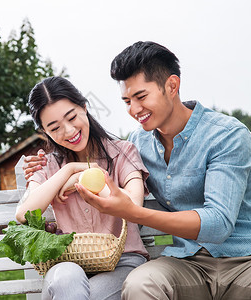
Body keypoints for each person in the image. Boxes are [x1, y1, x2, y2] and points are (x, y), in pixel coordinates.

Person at [25, 42, 251, 299]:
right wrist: (59, 171)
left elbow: (218, 225)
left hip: (250, 258)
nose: (134, 110)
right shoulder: (139, 143)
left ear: (172, 86)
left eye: (141, 97)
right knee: (140, 284)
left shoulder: (226, 135)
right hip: (189, 262)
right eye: (127, 101)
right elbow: (101, 159)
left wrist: (133, 212)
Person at [16, 76, 150, 300]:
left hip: (122, 263)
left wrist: (86, 178)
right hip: (66, 263)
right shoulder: (47, 165)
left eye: (72, 117)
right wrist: (68, 172)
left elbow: (133, 205)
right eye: (54, 127)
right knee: (66, 278)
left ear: (85, 108)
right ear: (44, 132)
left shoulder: (123, 151)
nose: (69, 131)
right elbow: (23, 214)